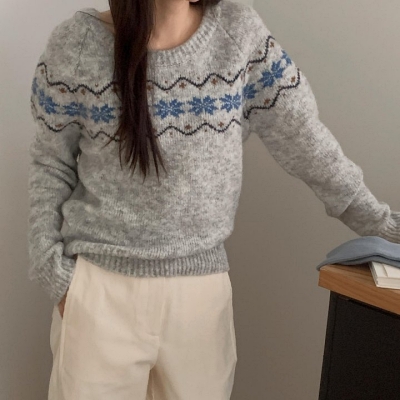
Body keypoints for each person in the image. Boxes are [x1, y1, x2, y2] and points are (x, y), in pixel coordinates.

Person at [27, 0, 400, 399]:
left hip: (200, 299)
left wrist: (384, 226)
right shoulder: (78, 44)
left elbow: (307, 143)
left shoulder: (239, 34)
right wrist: (56, 274)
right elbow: (51, 163)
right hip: (99, 292)